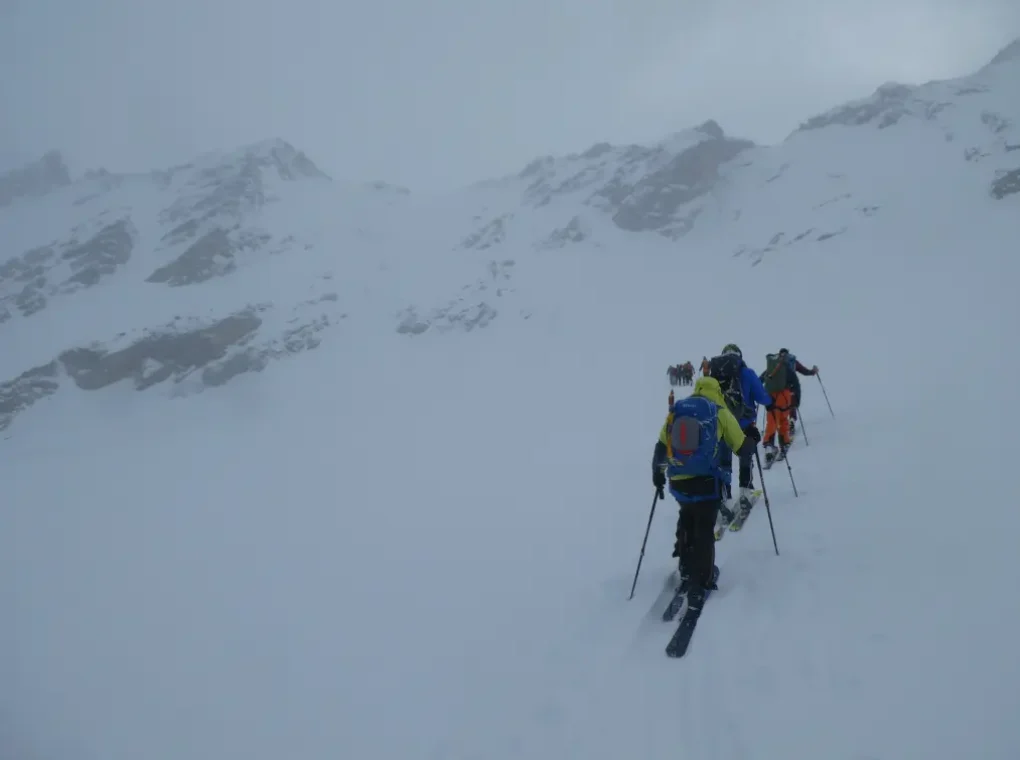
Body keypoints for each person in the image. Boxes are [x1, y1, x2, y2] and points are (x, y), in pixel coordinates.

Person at [652, 376, 761, 593]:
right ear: (717, 391)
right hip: (707, 483)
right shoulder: (718, 411)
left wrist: (658, 474)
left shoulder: (678, 411)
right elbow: (741, 448)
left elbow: (662, 445)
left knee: (686, 517)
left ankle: (685, 567)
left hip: (678, 483)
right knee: (704, 526)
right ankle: (703, 578)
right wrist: (753, 438)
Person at [709, 344, 771, 520]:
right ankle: (745, 491)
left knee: (723, 462)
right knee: (746, 455)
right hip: (744, 425)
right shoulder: (748, 373)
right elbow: (763, 398)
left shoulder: (714, 377)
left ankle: (724, 498)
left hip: (722, 426)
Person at [760, 348, 818, 463]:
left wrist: (757, 393)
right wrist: (797, 400)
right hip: (785, 397)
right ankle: (786, 438)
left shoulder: (772, 366)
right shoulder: (791, 363)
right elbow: (800, 378)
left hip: (770, 398)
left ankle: (769, 445)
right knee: (783, 419)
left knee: (771, 420)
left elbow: (761, 379)